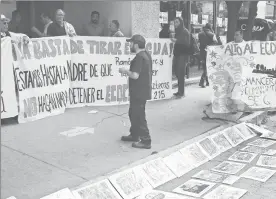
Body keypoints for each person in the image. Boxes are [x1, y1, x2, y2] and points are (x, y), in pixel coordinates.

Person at [118, 34, 152, 149]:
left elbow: (135, 75)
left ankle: (146, 140)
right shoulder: (146, 54)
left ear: (136, 45)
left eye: (131, 43)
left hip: (139, 91)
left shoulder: (139, 57)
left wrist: (124, 70)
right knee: (133, 113)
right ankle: (135, 134)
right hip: (141, 90)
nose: (130, 45)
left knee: (138, 115)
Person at [170, 17, 191, 98]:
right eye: (174, 22)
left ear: (181, 23)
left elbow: (187, 44)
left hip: (183, 55)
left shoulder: (185, 32)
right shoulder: (177, 32)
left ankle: (181, 92)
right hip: (177, 55)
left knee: (180, 73)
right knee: (176, 72)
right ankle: (179, 90)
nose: (175, 24)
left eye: (177, 22)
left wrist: (176, 41)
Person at [198, 23, 218, 88]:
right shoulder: (212, 34)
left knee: (204, 66)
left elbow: (199, 42)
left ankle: (207, 82)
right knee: (207, 67)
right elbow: (216, 42)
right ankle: (202, 81)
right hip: (209, 52)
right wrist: (209, 46)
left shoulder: (200, 34)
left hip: (202, 52)